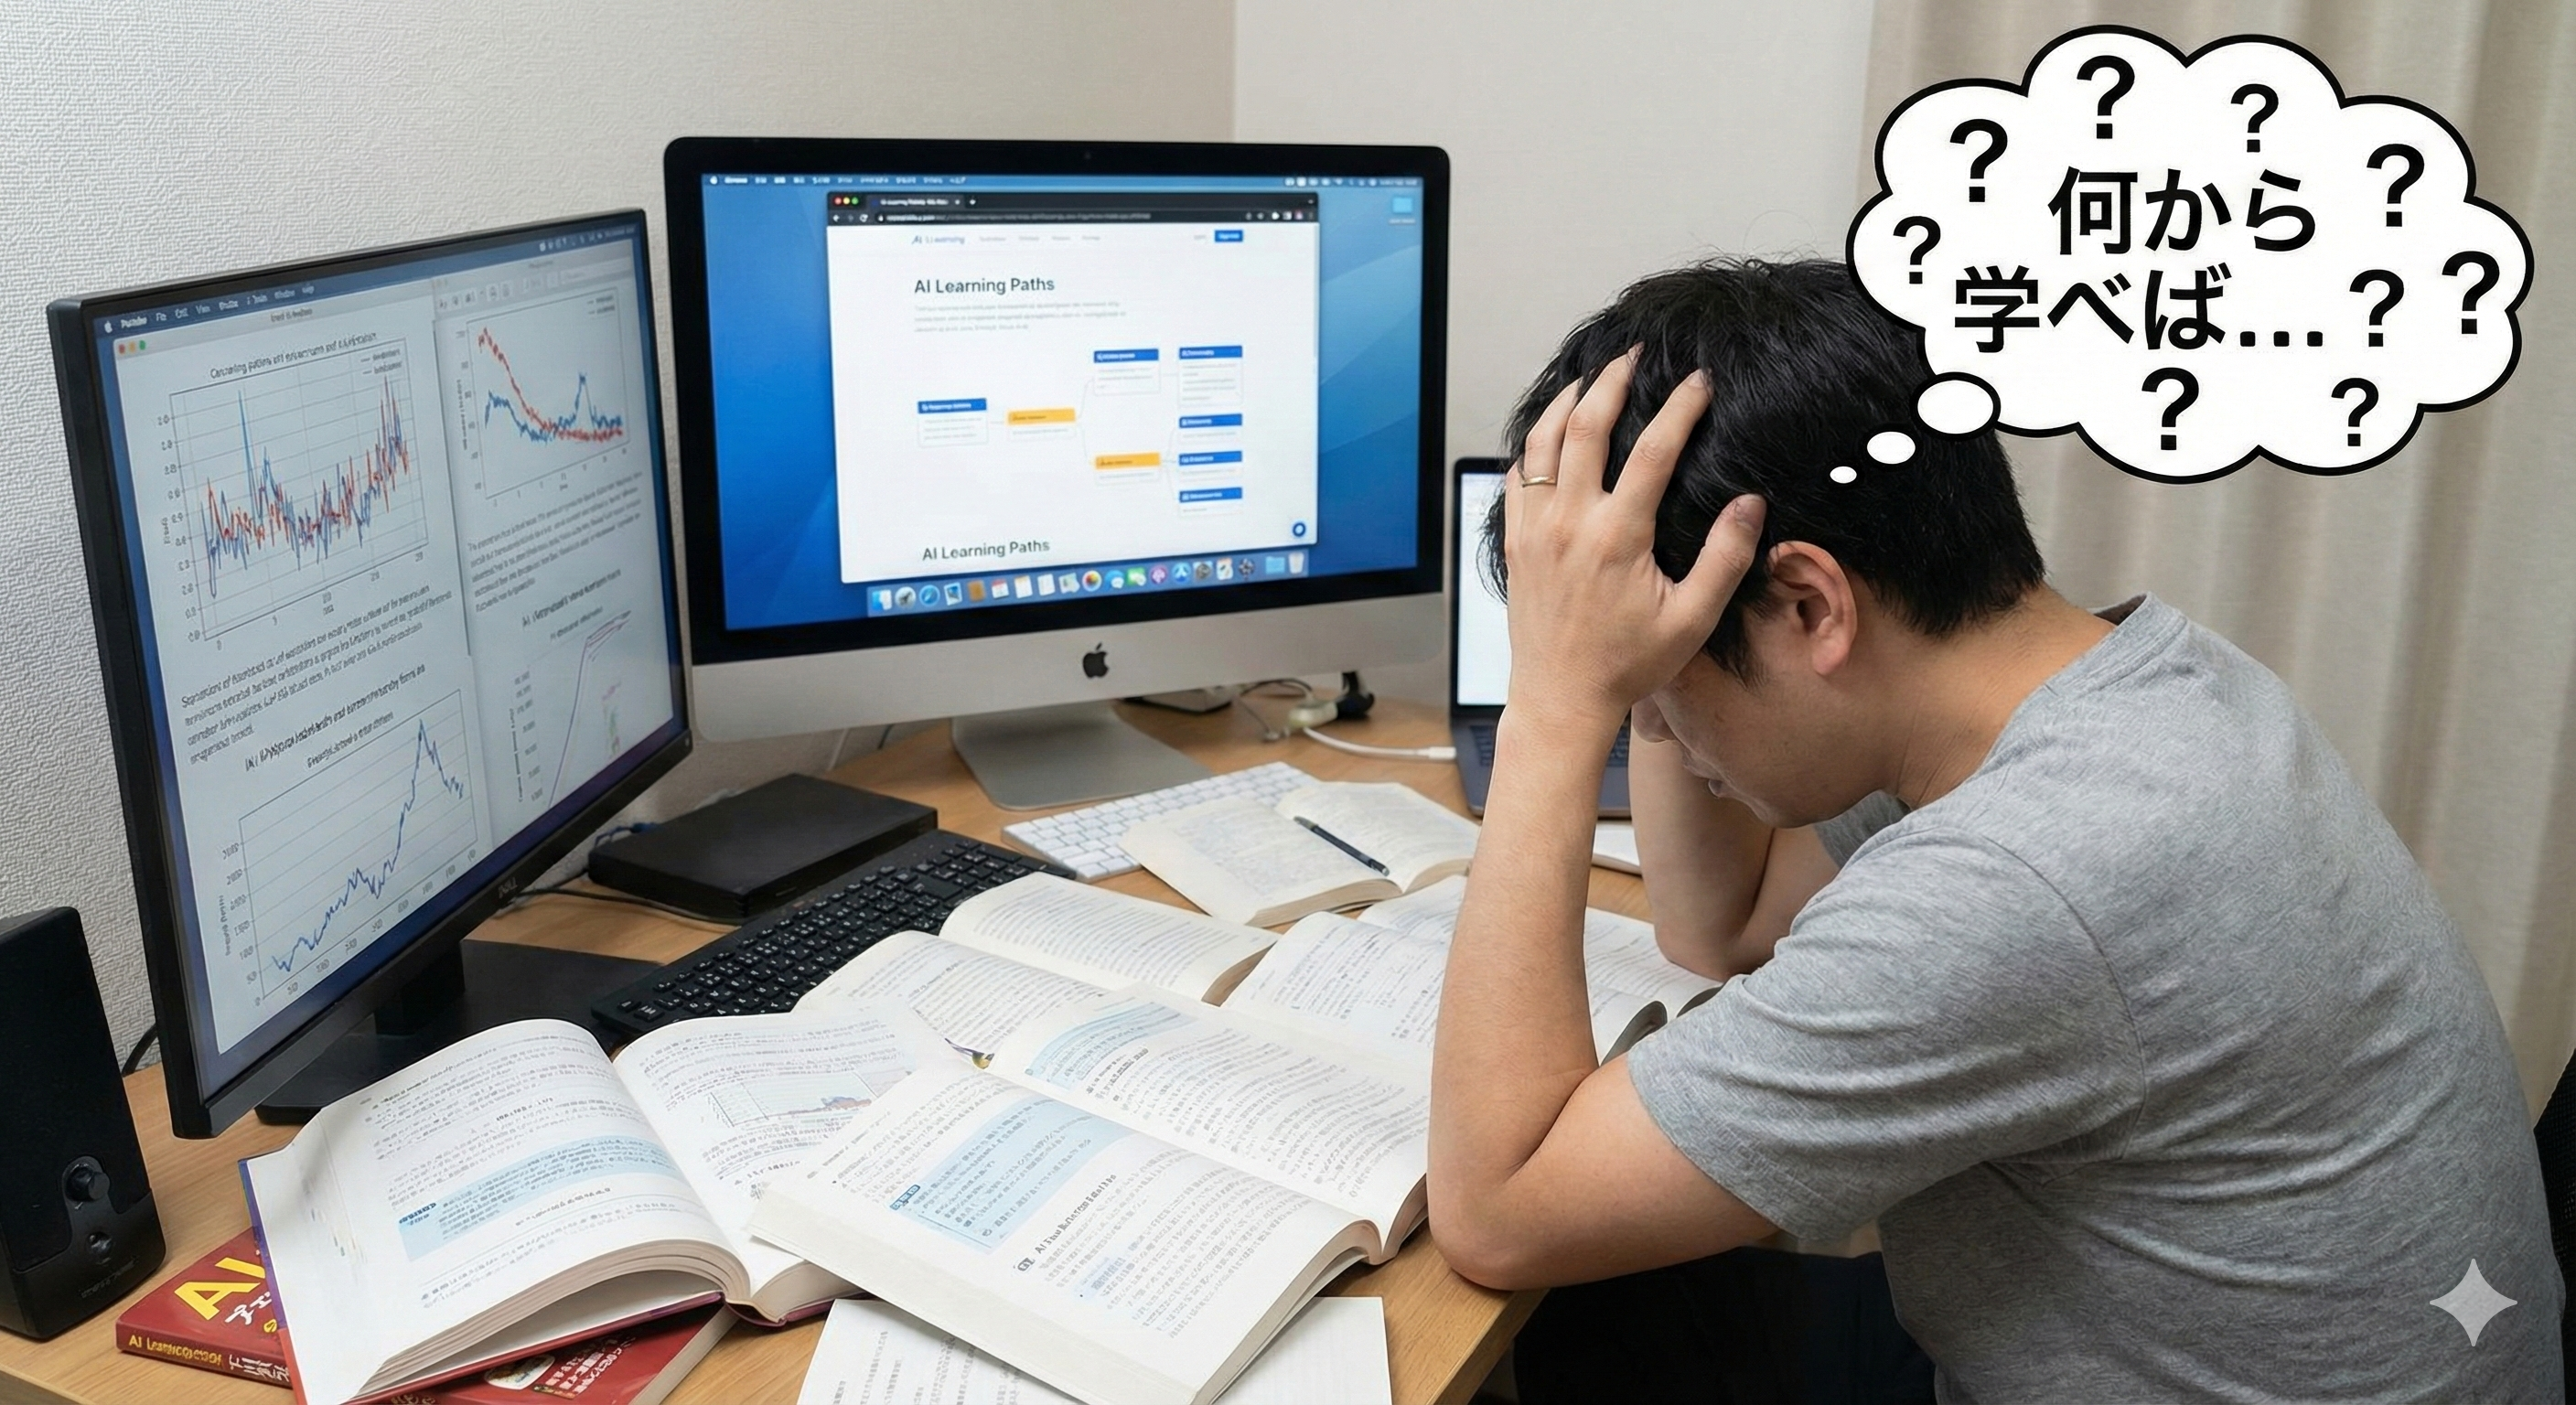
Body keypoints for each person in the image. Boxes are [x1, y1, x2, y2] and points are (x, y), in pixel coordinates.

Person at [1430, 257, 2563, 1401]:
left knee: (1557, 1310)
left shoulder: (2026, 878)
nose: (1648, 721)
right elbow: (1722, 923)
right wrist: (1641, 651)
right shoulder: (2121, 682)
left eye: (1662, 681)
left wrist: (1557, 704)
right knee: (1623, 1305)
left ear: (1811, 606)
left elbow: (1500, 1214)